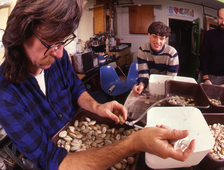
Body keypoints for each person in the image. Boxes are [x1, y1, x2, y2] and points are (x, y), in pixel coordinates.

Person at [0, 0, 195, 169]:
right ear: (21, 33)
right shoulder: (6, 96)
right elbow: (52, 162)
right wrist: (134, 143)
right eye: (51, 43)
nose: (59, 53)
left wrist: (97, 107)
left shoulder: (57, 58)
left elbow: (76, 89)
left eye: (63, 42)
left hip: (81, 133)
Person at [133, 21, 179, 96]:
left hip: (165, 86)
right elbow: (143, 74)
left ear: (165, 39)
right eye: (154, 37)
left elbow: (170, 78)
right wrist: (141, 85)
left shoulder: (172, 53)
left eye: (161, 38)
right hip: (148, 84)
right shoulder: (142, 50)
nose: (158, 41)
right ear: (149, 35)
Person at [198, 8, 224, 88]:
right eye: (221, 18)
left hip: (222, 81)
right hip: (205, 75)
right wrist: (206, 78)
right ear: (217, 18)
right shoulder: (208, 35)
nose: (223, 22)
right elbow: (204, 57)